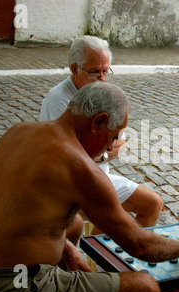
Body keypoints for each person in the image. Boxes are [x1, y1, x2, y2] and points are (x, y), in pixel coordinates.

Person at [0, 82, 179, 292]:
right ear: (98, 122)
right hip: (10, 285)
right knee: (146, 288)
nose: (111, 145)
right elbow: (140, 246)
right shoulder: (79, 166)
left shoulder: (20, 130)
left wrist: (66, 248)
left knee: (74, 223)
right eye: (114, 135)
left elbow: (20, 210)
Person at [40, 36, 162, 235]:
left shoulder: (101, 93)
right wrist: (106, 153)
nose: (102, 78)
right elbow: (73, 157)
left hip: (98, 175)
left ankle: (100, 258)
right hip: (73, 184)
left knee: (149, 206)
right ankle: (108, 256)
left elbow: (119, 141)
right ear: (74, 69)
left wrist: (103, 150)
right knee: (150, 204)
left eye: (106, 71)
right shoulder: (58, 100)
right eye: (95, 72)